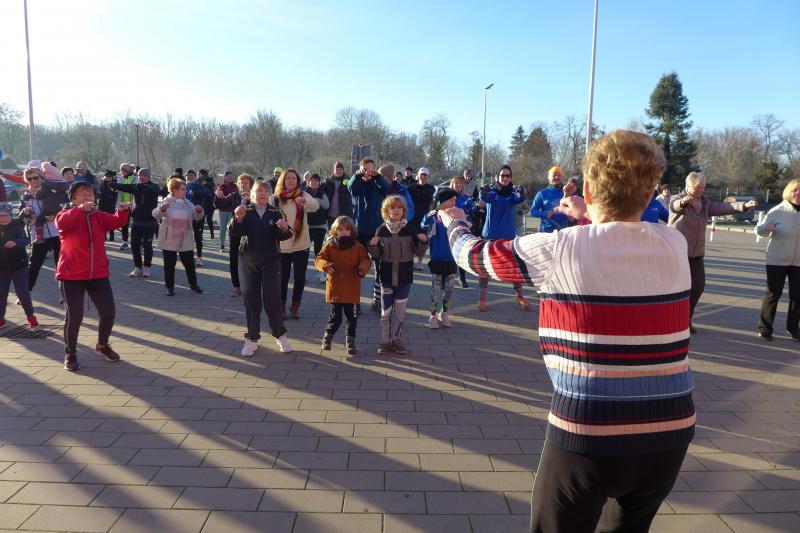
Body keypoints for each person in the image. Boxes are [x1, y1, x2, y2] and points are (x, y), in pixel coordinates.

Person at [441, 129, 696, 533]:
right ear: (651, 193)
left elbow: (474, 256)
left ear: (589, 189)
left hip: (589, 432)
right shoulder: (673, 243)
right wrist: (588, 214)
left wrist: (454, 222)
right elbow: (620, 234)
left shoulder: (557, 247)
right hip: (670, 430)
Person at [56, 181, 130, 371]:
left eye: (90, 194)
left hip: (98, 273)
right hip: (71, 275)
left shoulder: (98, 216)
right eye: (82, 194)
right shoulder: (66, 214)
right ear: (73, 199)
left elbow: (116, 222)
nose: (87, 196)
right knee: (75, 316)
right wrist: (79, 210)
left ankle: (102, 345)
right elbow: (61, 224)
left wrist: (122, 211)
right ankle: (70, 353)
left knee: (108, 312)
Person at [669, 171, 756, 332]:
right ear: (687, 185)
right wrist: (683, 202)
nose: (700, 190)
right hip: (678, 252)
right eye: (697, 187)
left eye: (702, 187)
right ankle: (672, 319)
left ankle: (686, 319)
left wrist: (742, 206)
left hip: (696, 253)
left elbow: (723, 207)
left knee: (698, 286)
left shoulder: (705, 203)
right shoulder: (677, 198)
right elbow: (674, 206)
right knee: (677, 288)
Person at [229, 180, 294, 356]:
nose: (263, 194)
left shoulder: (275, 212)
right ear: (252, 194)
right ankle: (251, 340)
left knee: (272, 301)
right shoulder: (246, 211)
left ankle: (280, 336)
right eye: (259, 191)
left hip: (271, 262)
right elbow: (234, 232)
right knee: (251, 301)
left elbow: (286, 234)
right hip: (248, 263)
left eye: (266, 191)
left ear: (270, 195)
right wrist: (238, 218)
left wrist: (284, 229)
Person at [368, 195, 428, 355]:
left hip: (404, 278)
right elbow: (376, 255)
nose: (396, 210)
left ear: (404, 211)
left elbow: (419, 253)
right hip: (386, 278)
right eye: (392, 208)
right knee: (385, 312)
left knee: (400, 314)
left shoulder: (411, 229)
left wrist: (423, 242)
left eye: (399, 208)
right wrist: (372, 247)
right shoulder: (381, 230)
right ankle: (384, 341)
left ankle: (396, 340)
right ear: (386, 211)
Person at [315, 216, 372, 356]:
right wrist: (326, 266)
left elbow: (365, 260)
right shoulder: (330, 245)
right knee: (336, 317)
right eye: (340, 229)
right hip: (336, 286)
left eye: (346, 229)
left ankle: (350, 342)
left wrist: (361, 269)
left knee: (352, 317)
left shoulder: (358, 247)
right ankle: (327, 337)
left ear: (352, 231)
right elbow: (319, 259)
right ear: (335, 231)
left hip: (351, 286)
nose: (343, 232)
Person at [478, 165, 529, 311]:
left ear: (510, 178)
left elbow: (519, 199)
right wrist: (483, 191)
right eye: (502, 175)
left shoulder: (512, 194)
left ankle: (520, 296)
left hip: (508, 236)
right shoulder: (492, 192)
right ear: (497, 177)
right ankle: (482, 299)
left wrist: (523, 193)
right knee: (485, 268)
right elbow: (483, 197)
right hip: (490, 236)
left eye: (508, 176)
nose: (505, 178)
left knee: (514, 267)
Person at [755, 178, 800, 341]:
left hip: (798, 262)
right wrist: (766, 229)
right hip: (777, 259)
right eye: (795, 190)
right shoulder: (777, 211)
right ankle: (765, 328)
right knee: (773, 293)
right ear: (789, 192)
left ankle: (793, 328)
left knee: (798, 295)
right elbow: (759, 230)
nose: (798, 194)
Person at [273, 168, 320, 319]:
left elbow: (315, 206)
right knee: (282, 278)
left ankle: (295, 305)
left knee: (300, 278)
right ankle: (281, 306)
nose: (291, 181)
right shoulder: (275, 198)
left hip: (301, 245)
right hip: (282, 246)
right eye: (288, 178)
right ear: (283, 180)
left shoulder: (302, 195)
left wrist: (306, 201)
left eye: (294, 178)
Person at [348, 158, 390, 312]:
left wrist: (378, 176)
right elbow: (350, 187)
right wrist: (356, 176)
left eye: (371, 168)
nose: (368, 171)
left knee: (379, 269)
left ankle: (377, 300)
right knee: (356, 268)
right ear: (360, 170)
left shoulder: (378, 185)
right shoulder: (357, 185)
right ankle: (355, 302)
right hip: (359, 233)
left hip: (377, 233)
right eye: (365, 169)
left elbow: (387, 188)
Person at [153, 178, 205, 296]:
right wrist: (162, 209)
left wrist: (199, 211)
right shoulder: (166, 201)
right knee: (169, 265)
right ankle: (170, 287)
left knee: (189, 264)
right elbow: (155, 214)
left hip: (185, 238)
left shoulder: (188, 203)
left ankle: (193, 285)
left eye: (185, 189)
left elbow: (197, 217)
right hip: (169, 239)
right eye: (183, 189)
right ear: (175, 190)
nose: (185, 191)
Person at [110, 167, 163, 278]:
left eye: (144, 175)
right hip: (137, 221)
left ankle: (147, 267)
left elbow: (155, 190)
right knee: (134, 245)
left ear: (148, 176)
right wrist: (113, 184)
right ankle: (137, 268)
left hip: (150, 222)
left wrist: (144, 186)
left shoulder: (154, 186)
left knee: (147, 245)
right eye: (139, 175)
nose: (141, 177)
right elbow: (124, 187)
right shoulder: (136, 186)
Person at [17, 168, 61, 293]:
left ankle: (64, 293)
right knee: (34, 265)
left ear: (42, 177)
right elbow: (23, 220)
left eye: (36, 178)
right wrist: (26, 214)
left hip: (57, 232)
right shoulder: (25, 197)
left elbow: (63, 208)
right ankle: (25, 294)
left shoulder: (52, 191)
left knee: (61, 265)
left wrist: (56, 216)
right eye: (29, 179)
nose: (33, 181)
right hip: (39, 235)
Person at [420, 189, 459, 329]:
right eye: (451, 200)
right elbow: (423, 226)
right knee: (435, 290)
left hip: (452, 259)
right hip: (437, 258)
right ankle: (433, 315)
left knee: (449, 289)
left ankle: (445, 313)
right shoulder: (434, 216)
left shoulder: (457, 214)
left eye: (455, 200)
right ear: (443, 201)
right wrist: (430, 215)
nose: (454, 202)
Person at [215, 173, 254, 297]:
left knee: (252, 259)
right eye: (240, 183)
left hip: (251, 233)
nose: (243, 185)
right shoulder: (234, 195)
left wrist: (250, 199)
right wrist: (218, 197)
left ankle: (251, 285)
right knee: (234, 260)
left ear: (251, 184)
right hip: (236, 232)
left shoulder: (255, 196)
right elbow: (220, 204)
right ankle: (236, 286)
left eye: (245, 182)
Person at [0, 202, 38, 329]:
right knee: (1, 294)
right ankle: (1, 319)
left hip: (19, 265)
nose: (3, 218)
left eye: (6, 215)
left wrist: (16, 242)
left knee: (22, 293)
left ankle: (31, 316)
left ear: (11, 215)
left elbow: (26, 239)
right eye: (0, 216)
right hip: (2, 267)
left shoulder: (17, 225)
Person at [31, 162, 69, 244]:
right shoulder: (65, 184)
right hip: (61, 208)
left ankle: (39, 237)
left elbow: (39, 196)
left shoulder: (45, 185)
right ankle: (67, 236)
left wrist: (36, 194)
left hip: (48, 209)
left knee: (39, 220)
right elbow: (68, 197)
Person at [450, 176, 477, 288]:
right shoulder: (448, 197)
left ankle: (462, 277)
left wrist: (474, 208)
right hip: (450, 227)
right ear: (452, 185)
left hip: (463, 228)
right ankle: (447, 278)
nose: (458, 185)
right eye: (456, 183)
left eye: (460, 183)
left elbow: (474, 210)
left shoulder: (467, 198)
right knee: (450, 253)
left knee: (461, 252)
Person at [408, 167, 436, 272]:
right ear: (418, 175)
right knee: (411, 239)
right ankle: (410, 260)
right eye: (421, 174)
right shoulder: (411, 187)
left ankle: (420, 261)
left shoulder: (431, 188)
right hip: (412, 217)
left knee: (423, 240)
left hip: (425, 218)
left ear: (427, 177)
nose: (423, 177)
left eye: (425, 175)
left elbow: (426, 194)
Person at [305, 173, 329, 283]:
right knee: (304, 251)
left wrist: (317, 200)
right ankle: (303, 273)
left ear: (319, 183)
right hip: (307, 226)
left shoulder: (322, 193)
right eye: (312, 180)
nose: (314, 183)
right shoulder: (304, 193)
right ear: (308, 182)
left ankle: (321, 273)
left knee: (318, 250)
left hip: (320, 225)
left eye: (316, 181)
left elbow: (326, 205)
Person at [185, 169, 213, 267]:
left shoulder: (199, 185)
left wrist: (196, 192)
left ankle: (199, 257)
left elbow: (209, 194)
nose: (190, 177)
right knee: (186, 236)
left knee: (198, 237)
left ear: (195, 177)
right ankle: (188, 257)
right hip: (185, 215)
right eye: (188, 175)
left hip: (197, 214)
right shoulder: (182, 186)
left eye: (192, 175)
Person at [530, 166, 568, 233]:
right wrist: (544, 214)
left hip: (564, 231)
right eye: (554, 175)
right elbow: (533, 211)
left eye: (559, 175)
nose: (557, 177)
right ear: (549, 177)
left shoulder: (566, 191)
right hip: (547, 231)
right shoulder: (542, 193)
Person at [324, 161, 354, 227]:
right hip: (331, 214)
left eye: (340, 169)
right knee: (332, 232)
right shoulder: (328, 181)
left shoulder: (349, 181)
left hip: (344, 214)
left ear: (343, 170)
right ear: (334, 171)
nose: (338, 171)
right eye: (337, 169)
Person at [215, 171, 238, 252]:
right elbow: (218, 196)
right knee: (223, 228)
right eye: (228, 176)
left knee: (231, 228)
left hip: (232, 210)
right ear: (224, 177)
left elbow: (236, 197)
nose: (229, 177)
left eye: (230, 176)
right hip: (223, 210)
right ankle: (222, 245)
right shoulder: (221, 186)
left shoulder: (235, 186)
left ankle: (231, 245)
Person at [116, 163, 136, 250]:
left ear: (130, 170)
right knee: (124, 224)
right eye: (121, 169)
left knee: (135, 224)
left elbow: (134, 189)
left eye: (125, 169)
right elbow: (117, 189)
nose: (123, 170)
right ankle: (125, 242)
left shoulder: (135, 178)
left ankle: (137, 241)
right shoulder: (120, 178)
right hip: (123, 204)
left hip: (134, 204)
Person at [97, 170, 119, 241]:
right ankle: (104, 235)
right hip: (102, 204)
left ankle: (112, 236)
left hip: (111, 204)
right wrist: (100, 195)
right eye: (106, 176)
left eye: (109, 176)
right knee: (102, 221)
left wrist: (112, 196)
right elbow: (98, 192)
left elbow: (116, 193)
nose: (107, 178)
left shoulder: (115, 183)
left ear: (112, 177)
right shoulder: (102, 183)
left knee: (111, 220)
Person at [198, 169, 216, 238]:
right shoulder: (198, 180)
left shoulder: (210, 179)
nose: (198, 175)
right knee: (201, 219)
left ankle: (212, 233)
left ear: (202, 174)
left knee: (209, 219)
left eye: (199, 174)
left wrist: (206, 183)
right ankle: (201, 235)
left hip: (210, 203)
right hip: (202, 203)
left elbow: (213, 186)